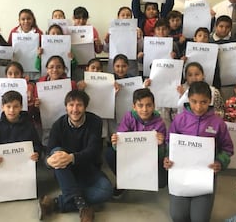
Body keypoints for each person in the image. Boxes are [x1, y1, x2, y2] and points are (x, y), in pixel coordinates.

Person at [38, 90, 113, 222]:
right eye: (71, 105)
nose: (75, 109)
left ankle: (56, 202)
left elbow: (94, 151)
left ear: (85, 107)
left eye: (79, 105)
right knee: (56, 151)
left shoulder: (95, 122)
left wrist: (72, 157)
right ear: (66, 107)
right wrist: (49, 161)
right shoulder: (58, 125)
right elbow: (49, 152)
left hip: (88, 169)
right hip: (66, 172)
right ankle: (82, 206)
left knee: (106, 190)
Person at [164, 81, 234, 222]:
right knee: (178, 217)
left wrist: (220, 162)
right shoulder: (179, 120)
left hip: (205, 176)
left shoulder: (218, 123)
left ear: (210, 101)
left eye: (203, 102)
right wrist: (167, 158)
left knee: (199, 219)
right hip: (180, 175)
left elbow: (227, 149)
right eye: (194, 101)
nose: (198, 106)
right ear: (188, 99)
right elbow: (168, 143)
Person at [105, 88, 167, 198]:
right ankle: (124, 181)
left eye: (148, 105)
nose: (145, 109)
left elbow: (162, 154)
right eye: (140, 105)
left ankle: (144, 180)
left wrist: (161, 144)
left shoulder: (160, 123)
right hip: (131, 157)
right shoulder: (128, 117)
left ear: (154, 106)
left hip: (149, 160)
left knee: (162, 182)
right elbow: (120, 144)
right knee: (109, 153)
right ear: (134, 106)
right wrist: (115, 142)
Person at [0, 91, 42, 194]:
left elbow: (37, 144)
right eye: (8, 106)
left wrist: (36, 153)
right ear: (2, 107)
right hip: (2, 164)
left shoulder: (29, 125)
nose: (12, 110)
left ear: (21, 107)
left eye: (16, 106)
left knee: (30, 186)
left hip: (23, 165)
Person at [34, 55, 77, 146]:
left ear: (64, 69)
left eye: (58, 67)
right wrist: (36, 104)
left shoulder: (71, 84)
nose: (55, 70)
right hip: (46, 122)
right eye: (51, 67)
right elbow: (34, 107)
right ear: (46, 69)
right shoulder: (40, 84)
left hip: (66, 122)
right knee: (47, 146)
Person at [103, 6, 144, 76]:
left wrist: (139, 39)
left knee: (131, 84)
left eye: (128, 15)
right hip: (114, 63)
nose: (125, 17)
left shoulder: (136, 30)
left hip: (131, 64)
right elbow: (105, 50)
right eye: (123, 15)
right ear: (118, 17)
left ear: (131, 18)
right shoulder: (112, 30)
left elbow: (140, 49)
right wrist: (106, 41)